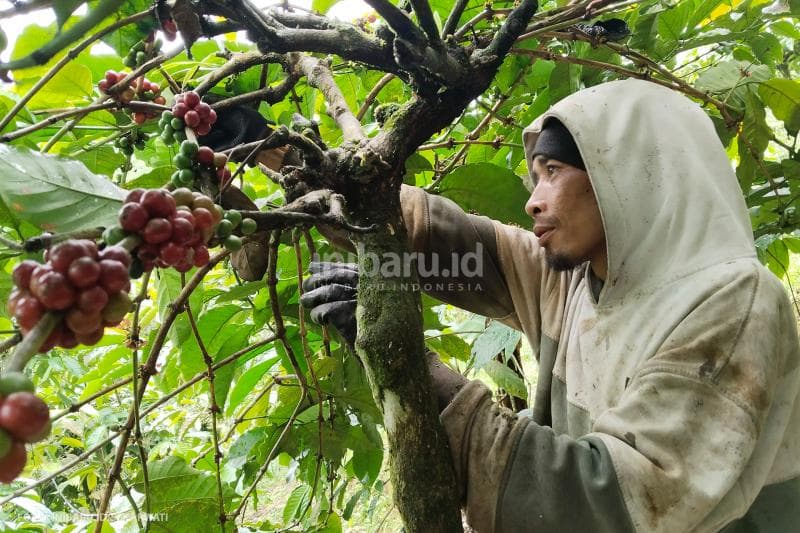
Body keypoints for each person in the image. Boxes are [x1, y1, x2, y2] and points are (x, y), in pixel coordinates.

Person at [224, 79, 800, 531]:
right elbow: (448, 245)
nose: (533, 200)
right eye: (534, 176)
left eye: (553, 172)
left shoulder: (732, 300)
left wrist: (421, 376)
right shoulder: (578, 277)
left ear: (627, 171)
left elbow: (615, 505)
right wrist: (290, 161)